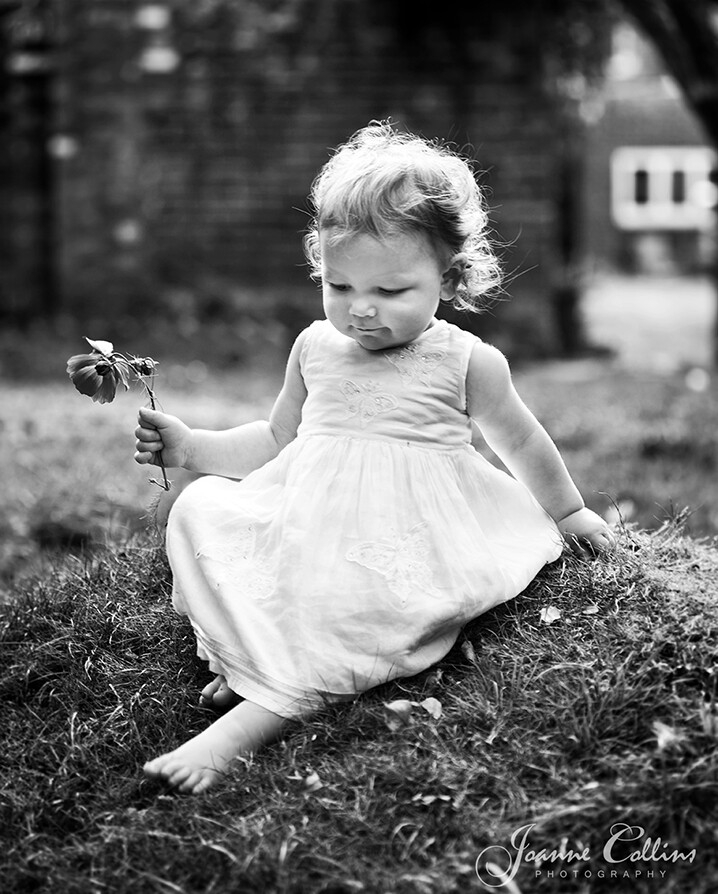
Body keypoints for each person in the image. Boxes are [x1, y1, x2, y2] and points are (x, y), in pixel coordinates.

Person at [134, 122, 614, 794]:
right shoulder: (315, 348)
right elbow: (277, 440)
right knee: (206, 516)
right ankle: (251, 661)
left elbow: (522, 442)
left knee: (354, 597)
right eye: (339, 287)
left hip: (406, 528)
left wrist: (569, 513)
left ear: (448, 279)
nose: (361, 311)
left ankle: (248, 724)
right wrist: (191, 447)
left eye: (390, 293)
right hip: (311, 510)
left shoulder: (466, 361)